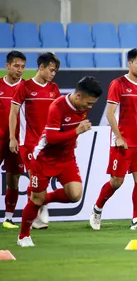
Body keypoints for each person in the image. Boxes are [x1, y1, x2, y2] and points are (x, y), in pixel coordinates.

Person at [17, 76, 102, 247]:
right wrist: (77, 131)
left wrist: (73, 138)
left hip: (66, 157)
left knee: (75, 194)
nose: (90, 107)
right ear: (78, 96)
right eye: (89, 103)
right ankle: (23, 236)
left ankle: (44, 201)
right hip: (44, 158)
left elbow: (69, 129)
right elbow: (51, 137)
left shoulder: (81, 107)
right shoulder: (57, 106)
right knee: (36, 200)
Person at [89, 48, 137, 231]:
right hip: (122, 141)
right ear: (130, 63)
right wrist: (118, 137)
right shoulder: (118, 84)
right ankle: (97, 209)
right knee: (116, 182)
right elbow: (110, 114)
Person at [9, 52, 61, 230]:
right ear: (41, 67)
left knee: (40, 182)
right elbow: (13, 113)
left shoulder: (54, 89)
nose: (53, 74)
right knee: (35, 179)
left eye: (55, 71)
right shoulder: (24, 87)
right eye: (51, 70)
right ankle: (40, 211)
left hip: (48, 144)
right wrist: (12, 138)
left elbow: (59, 114)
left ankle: (35, 214)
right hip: (29, 143)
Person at [0, 51, 26, 229]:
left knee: (14, 178)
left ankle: (8, 218)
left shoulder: (26, 88)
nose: (20, 70)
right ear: (7, 66)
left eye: (23, 67)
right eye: (16, 66)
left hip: (17, 140)